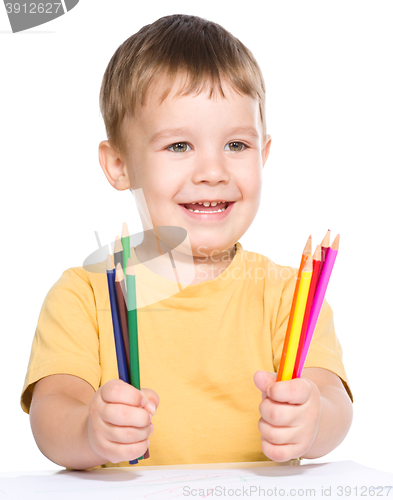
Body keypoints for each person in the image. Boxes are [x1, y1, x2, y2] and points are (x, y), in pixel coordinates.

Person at [21, 14, 353, 470]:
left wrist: (314, 421)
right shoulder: (84, 295)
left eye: (237, 145)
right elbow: (51, 411)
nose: (213, 172)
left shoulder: (292, 295)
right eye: (179, 146)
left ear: (265, 154)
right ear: (118, 164)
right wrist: (88, 430)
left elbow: (333, 397)